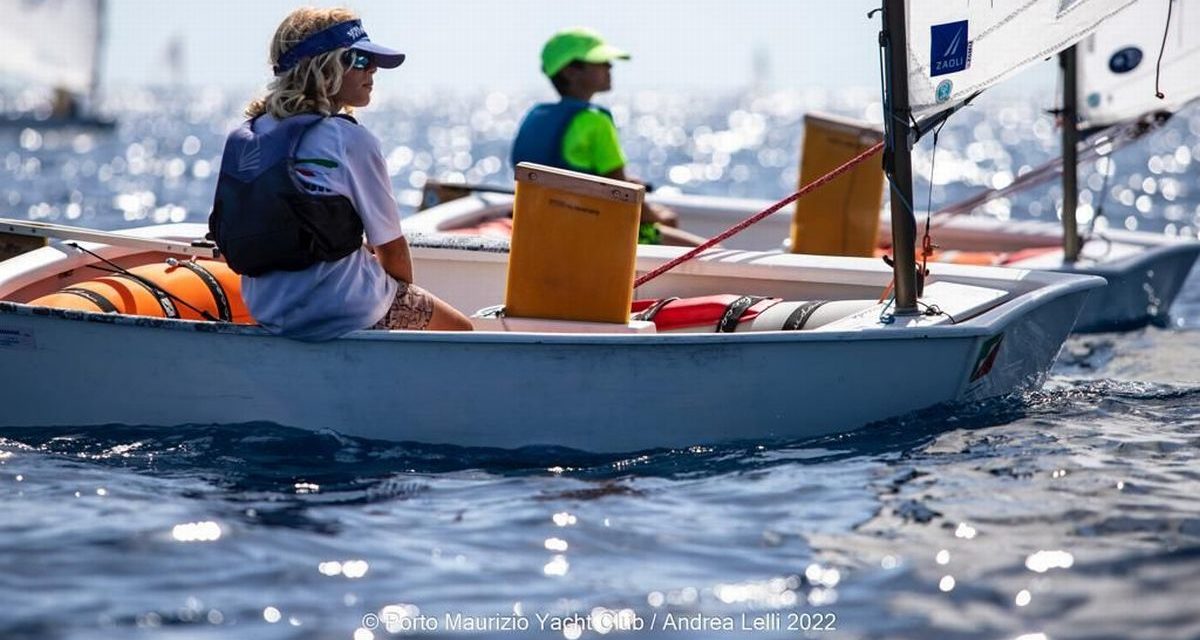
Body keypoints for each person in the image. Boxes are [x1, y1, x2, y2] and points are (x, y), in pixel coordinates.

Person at [209, 7, 472, 340]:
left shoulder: (246, 136)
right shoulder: (350, 138)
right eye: (360, 60)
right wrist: (402, 305)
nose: (373, 70)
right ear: (322, 68)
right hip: (348, 308)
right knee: (464, 333)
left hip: (270, 312)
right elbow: (391, 251)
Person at [510, 27, 706, 247]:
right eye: (601, 61)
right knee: (711, 251)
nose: (610, 66)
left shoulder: (535, 116)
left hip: (542, 226)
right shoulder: (596, 121)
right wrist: (659, 217)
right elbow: (622, 194)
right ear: (571, 71)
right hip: (593, 232)